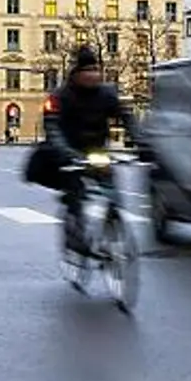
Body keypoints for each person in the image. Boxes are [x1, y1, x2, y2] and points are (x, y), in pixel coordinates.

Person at [42, 45, 135, 253]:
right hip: (70, 153)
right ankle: (76, 236)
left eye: (96, 70)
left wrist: (142, 142)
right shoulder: (60, 97)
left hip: (97, 152)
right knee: (76, 193)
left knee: (113, 191)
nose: (93, 75)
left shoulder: (107, 94)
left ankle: (112, 224)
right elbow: (53, 128)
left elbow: (126, 116)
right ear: (77, 74)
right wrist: (67, 154)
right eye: (88, 71)